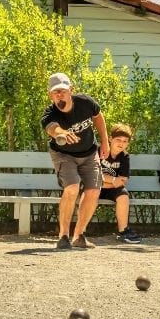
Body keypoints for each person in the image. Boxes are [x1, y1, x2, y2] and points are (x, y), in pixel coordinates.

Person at [41, 72, 109, 249]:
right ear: (50, 95)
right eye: (55, 92)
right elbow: (52, 129)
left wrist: (105, 143)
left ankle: (79, 235)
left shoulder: (85, 102)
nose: (59, 95)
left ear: (71, 89)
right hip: (64, 155)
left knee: (93, 191)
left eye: (62, 91)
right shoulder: (50, 114)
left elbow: (98, 117)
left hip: (89, 152)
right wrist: (62, 133)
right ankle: (63, 235)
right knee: (71, 188)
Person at [99, 123, 142, 243]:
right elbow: (92, 176)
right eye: (118, 140)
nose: (121, 143)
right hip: (93, 187)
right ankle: (80, 232)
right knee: (90, 191)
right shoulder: (99, 151)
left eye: (125, 141)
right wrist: (113, 180)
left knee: (123, 195)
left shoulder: (124, 157)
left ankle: (124, 232)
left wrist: (105, 182)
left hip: (108, 188)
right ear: (110, 139)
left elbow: (123, 180)